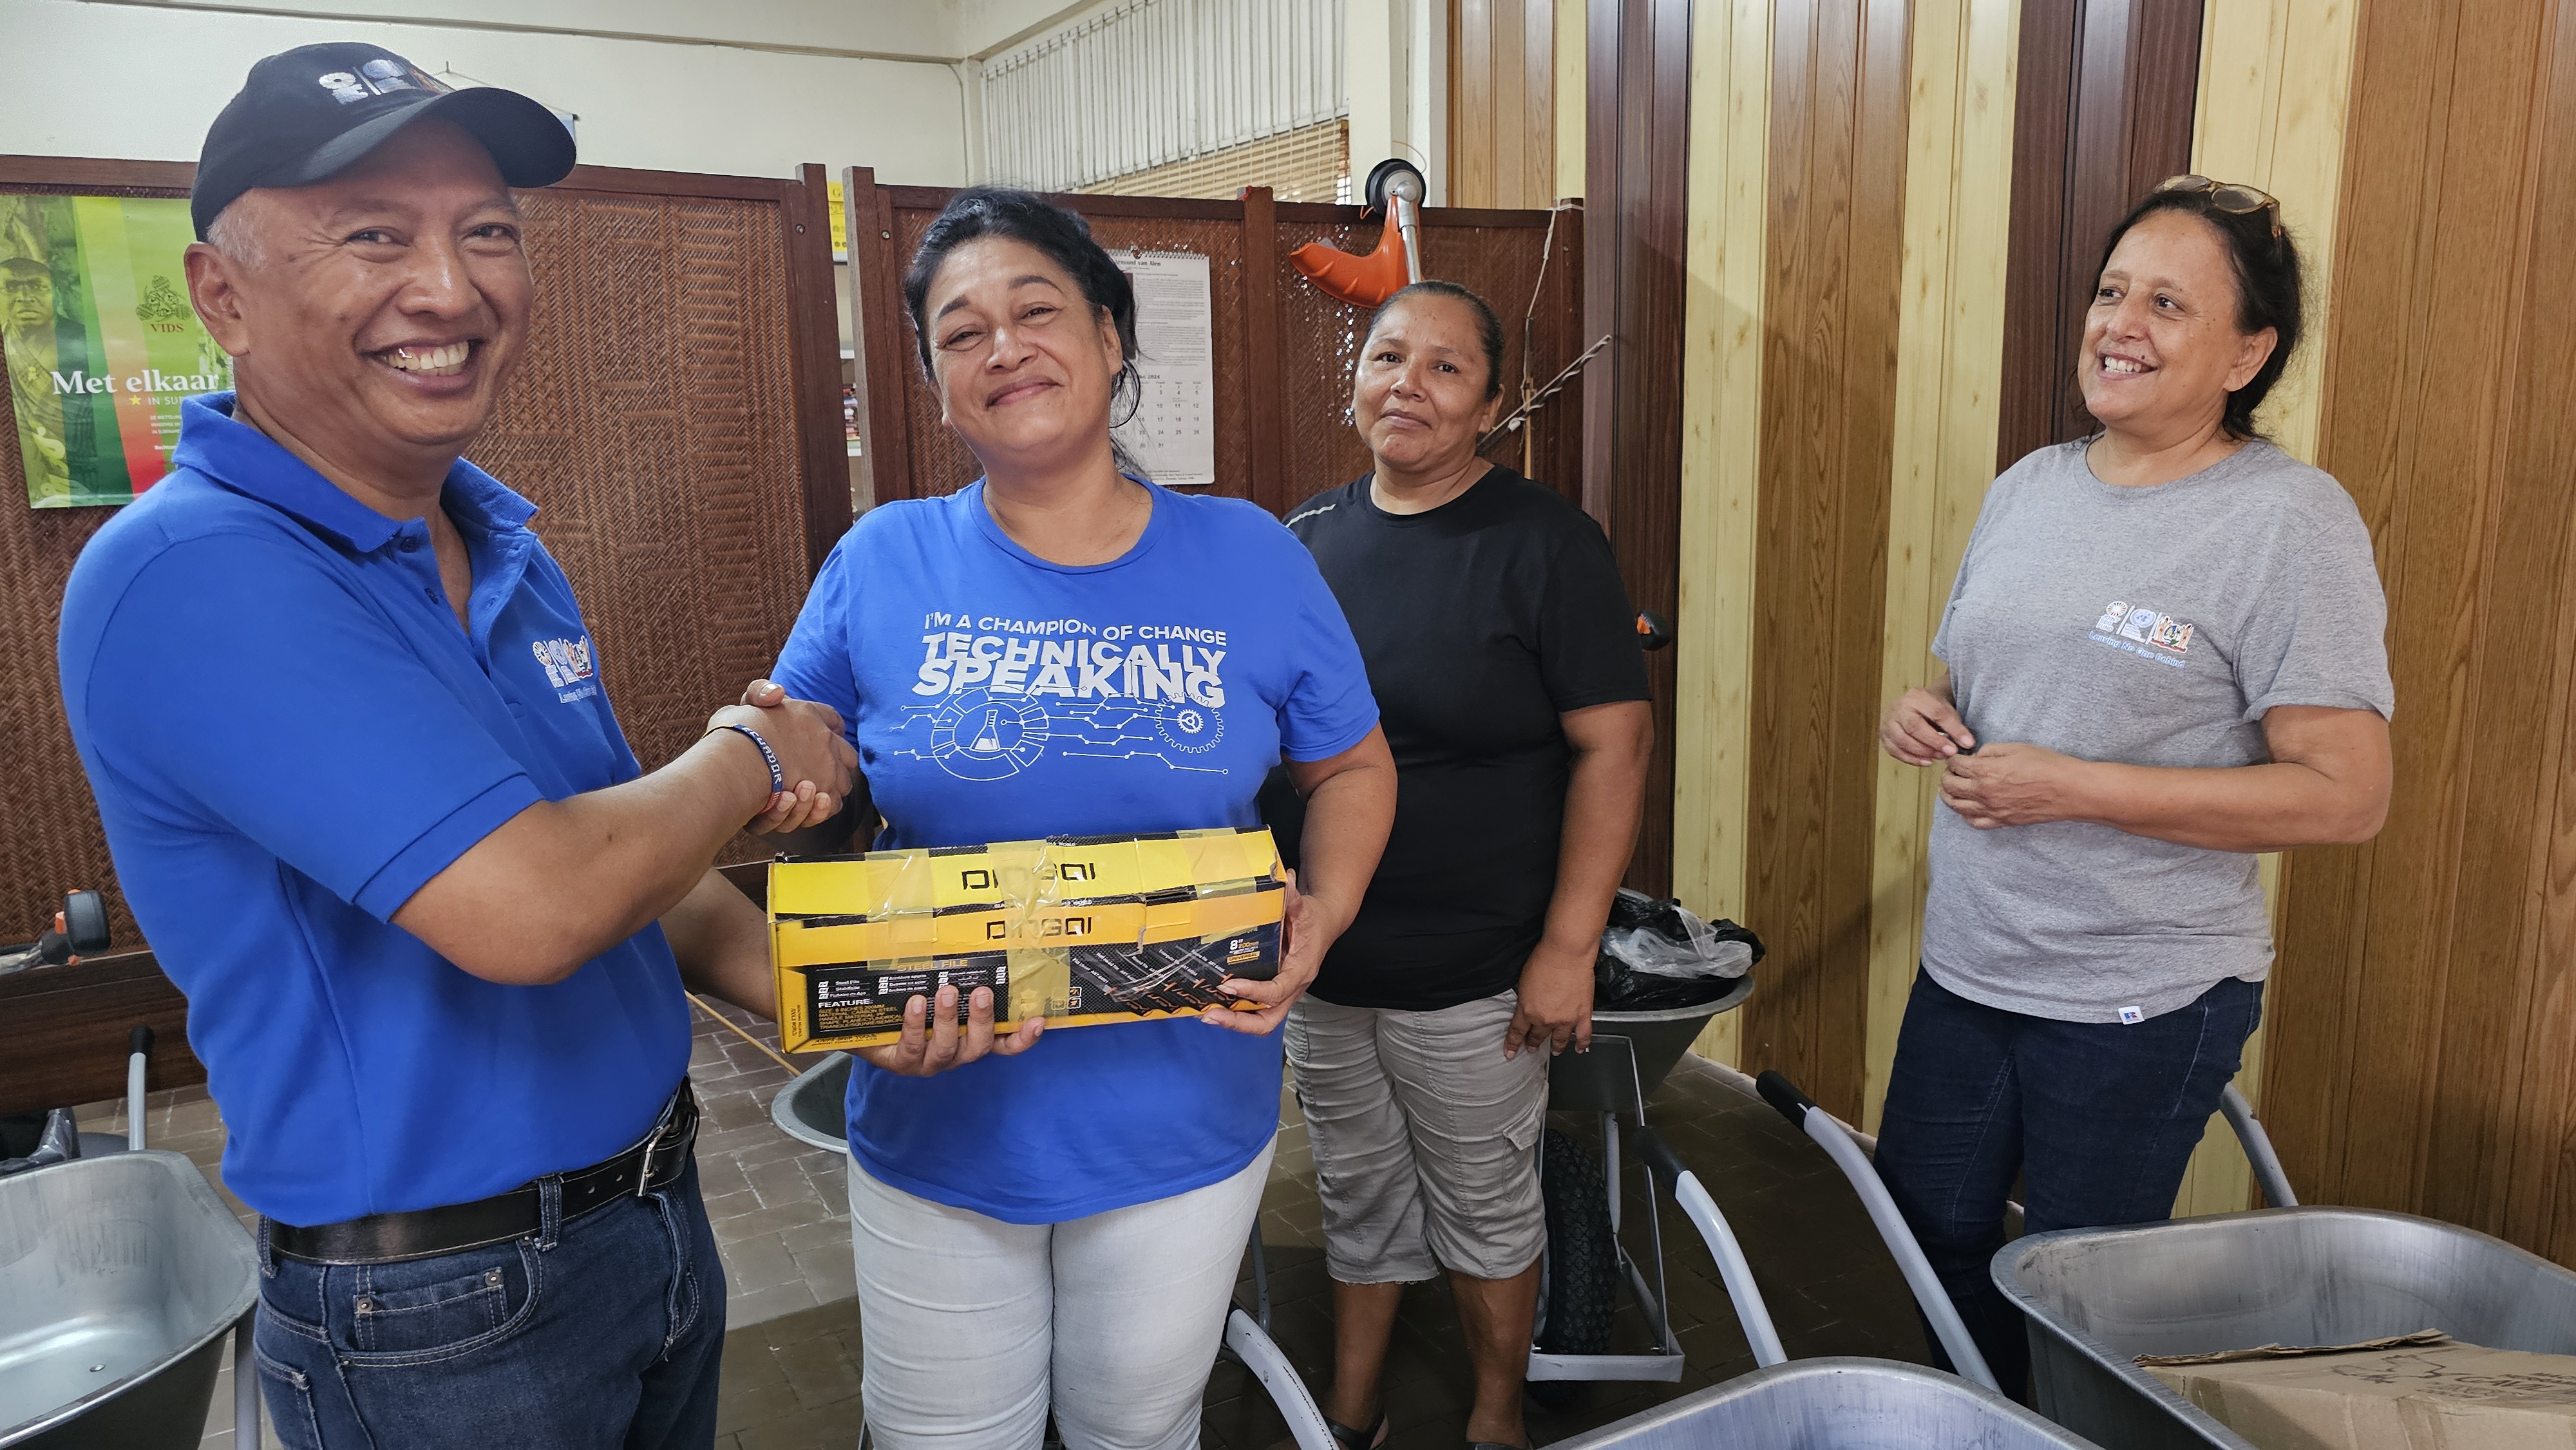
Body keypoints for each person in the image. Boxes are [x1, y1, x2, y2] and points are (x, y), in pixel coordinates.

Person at [57, 44, 856, 1449]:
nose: (449, 286)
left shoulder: (501, 546)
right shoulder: (188, 573)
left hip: (651, 1221)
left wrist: (846, 1003)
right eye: (374, 234)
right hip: (435, 1312)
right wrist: (750, 745)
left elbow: (635, 870)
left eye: (487, 231)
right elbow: (538, 903)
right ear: (218, 295)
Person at [764, 186, 1397, 1450]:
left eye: (1035, 309)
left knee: (1137, 1430)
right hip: (942, 1109)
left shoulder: (1253, 558)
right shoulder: (880, 560)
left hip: (1182, 1112)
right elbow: (804, 777)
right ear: (936, 378)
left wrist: (1320, 912)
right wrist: (792, 785)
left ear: (1111, 338)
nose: (1001, 347)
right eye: (959, 331)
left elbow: (1354, 770)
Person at [1873, 175, 2394, 1394]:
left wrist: (2079, 788)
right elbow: (1995, 679)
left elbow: (2345, 795)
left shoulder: (2287, 524)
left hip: (2140, 997)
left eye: (2169, 303)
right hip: (1972, 964)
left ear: (2248, 352)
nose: (2122, 324)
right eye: (2114, 291)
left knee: (2075, 1288)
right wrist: (1928, 709)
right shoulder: (2032, 487)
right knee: (1927, 1240)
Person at [1260, 281, 1653, 1450]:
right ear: (1356, 378)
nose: (1408, 387)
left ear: (1491, 401)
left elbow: (1615, 744)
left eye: (1444, 368)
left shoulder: (1545, 544)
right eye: (1388, 358)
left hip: (1479, 961)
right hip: (1326, 955)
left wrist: (1568, 946)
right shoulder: (1306, 541)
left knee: (1484, 1205)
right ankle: (1355, 1405)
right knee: (1359, 1193)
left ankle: (1494, 1417)